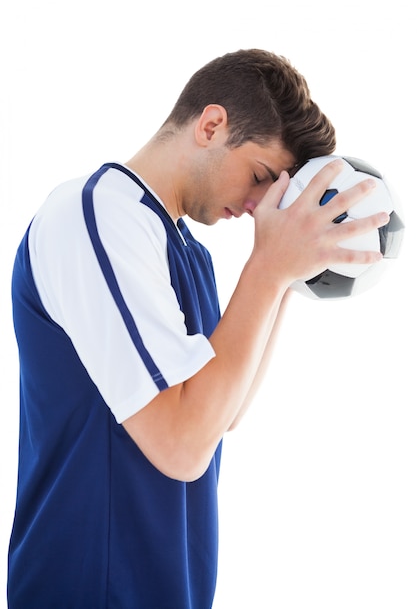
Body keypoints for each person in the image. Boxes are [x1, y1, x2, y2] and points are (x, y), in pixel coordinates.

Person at [7, 49, 388, 608]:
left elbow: (222, 415)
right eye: (259, 176)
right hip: (85, 588)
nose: (258, 205)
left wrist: (286, 277)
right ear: (211, 125)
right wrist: (267, 269)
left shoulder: (188, 253)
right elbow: (182, 446)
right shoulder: (98, 213)